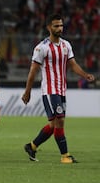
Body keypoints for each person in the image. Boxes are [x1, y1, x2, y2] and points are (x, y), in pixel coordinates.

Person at [22, 14, 95, 163]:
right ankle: (65, 156)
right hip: (50, 90)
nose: (59, 28)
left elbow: (73, 64)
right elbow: (33, 72)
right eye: (56, 26)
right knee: (60, 121)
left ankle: (32, 146)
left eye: (61, 25)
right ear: (49, 27)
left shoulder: (66, 45)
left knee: (53, 124)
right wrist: (27, 91)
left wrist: (85, 75)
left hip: (61, 90)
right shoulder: (41, 48)